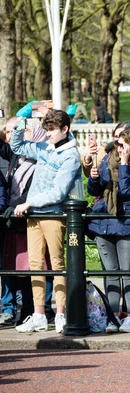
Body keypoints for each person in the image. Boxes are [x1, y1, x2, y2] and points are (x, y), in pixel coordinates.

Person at [11, 110, 83, 334]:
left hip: (53, 215)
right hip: (34, 215)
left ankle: (60, 313)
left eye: (52, 130)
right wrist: (21, 122)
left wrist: (29, 203)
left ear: (65, 130)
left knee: (58, 265)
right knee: (35, 265)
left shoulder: (70, 156)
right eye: (47, 129)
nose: (48, 134)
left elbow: (58, 192)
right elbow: (17, 146)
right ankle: (40, 314)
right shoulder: (43, 147)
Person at [87, 128, 130, 333]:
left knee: (127, 271)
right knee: (111, 272)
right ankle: (113, 315)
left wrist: (125, 165)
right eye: (117, 144)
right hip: (103, 222)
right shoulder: (107, 160)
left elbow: (128, 192)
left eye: (123, 145)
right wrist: (94, 178)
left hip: (127, 221)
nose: (119, 148)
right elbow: (94, 192)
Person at [0, 117, 48, 326]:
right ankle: (25, 310)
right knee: (17, 266)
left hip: (29, 218)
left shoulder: (41, 159)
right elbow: (6, 146)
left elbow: (32, 190)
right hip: (14, 219)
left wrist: (15, 206)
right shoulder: (17, 157)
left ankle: (37, 309)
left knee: (34, 265)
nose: (21, 135)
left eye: (26, 131)